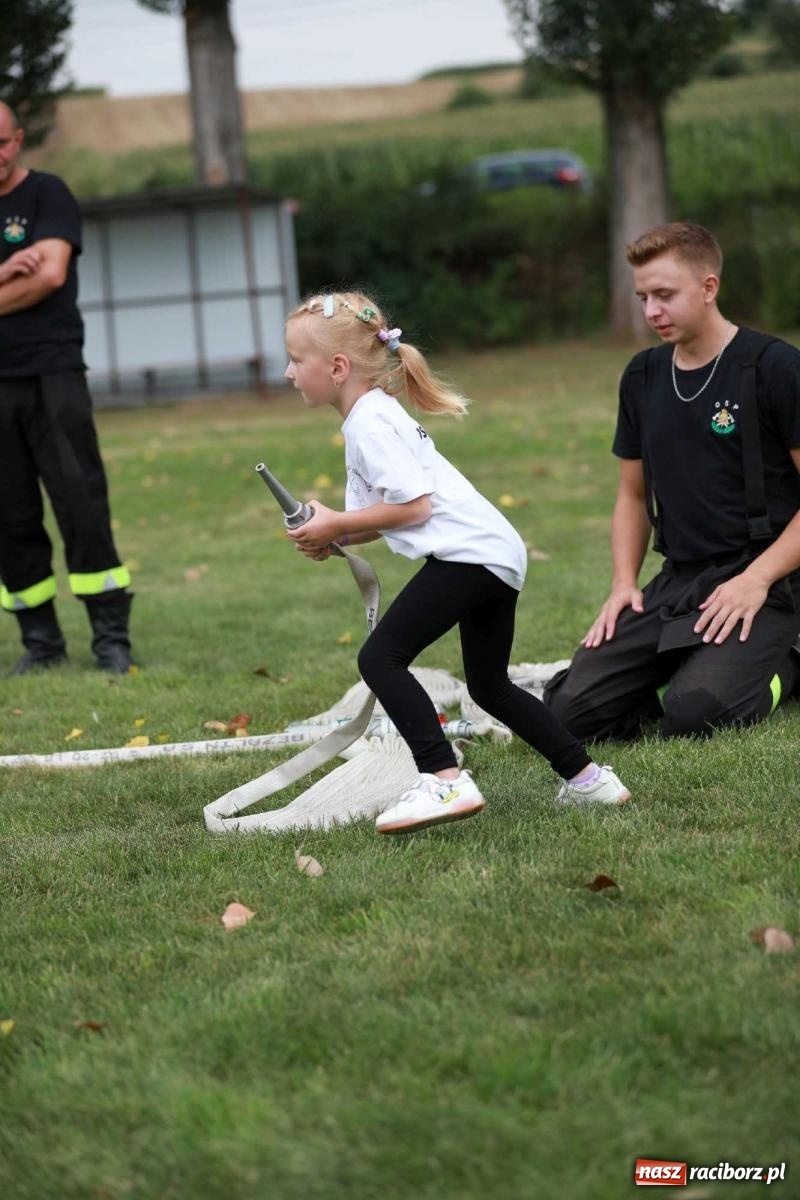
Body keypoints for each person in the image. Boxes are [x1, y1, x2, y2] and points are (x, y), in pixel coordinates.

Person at [282, 290, 631, 835]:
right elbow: (388, 512)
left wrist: (336, 523)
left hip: (469, 558)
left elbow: (415, 505)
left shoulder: (371, 423)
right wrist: (335, 535)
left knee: (381, 659)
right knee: (489, 686)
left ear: (337, 366)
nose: (287, 372)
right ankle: (589, 780)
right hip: (493, 554)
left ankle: (442, 777)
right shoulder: (372, 416)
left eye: (296, 360)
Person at [545, 221, 800, 741]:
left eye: (664, 295)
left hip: (770, 581)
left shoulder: (774, 367)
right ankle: (696, 662)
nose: (650, 312)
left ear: (709, 288)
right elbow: (632, 495)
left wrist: (755, 579)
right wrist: (622, 584)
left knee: (692, 714)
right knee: (567, 712)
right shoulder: (642, 376)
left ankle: (787, 666)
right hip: (679, 581)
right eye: (642, 298)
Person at [0, 102, 134, 675]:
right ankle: (42, 643)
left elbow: (51, 273)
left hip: (54, 373)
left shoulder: (48, 195)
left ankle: (110, 639)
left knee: (80, 501)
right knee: (9, 514)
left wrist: (20, 273)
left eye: (2, 142)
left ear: (19, 138)